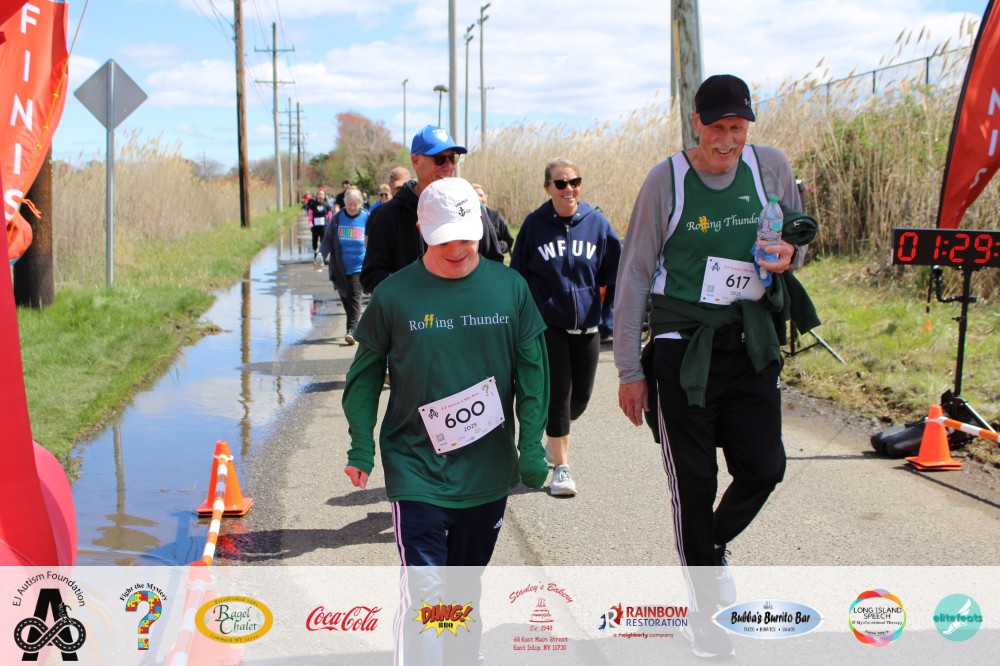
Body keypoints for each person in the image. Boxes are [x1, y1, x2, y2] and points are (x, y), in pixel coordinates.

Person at [613, 74, 813, 658]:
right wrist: (628, 371)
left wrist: (789, 255)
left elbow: (797, 243)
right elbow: (634, 274)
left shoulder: (770, 167)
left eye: (738, 127)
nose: (727, 140)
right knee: (695, 484)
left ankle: (708, 549)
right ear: (696, 123)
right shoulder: (666, 181)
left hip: (751, 343)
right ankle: (706, 611)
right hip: (683, 350)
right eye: (717, 127)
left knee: (765, 468)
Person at [343, 177, 550, 664]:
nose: (457, 250)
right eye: (443, 240)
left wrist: (531, 446)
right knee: (428, 595)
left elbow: (534, 374)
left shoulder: (510, 289)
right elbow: (364, 376)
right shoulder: (395, 295)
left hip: (487, 471)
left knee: (462, 589)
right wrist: (360, 446)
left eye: (466, 237)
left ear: (480, 226)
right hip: (416, 466)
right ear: (422, 231)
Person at [510, 158, 621, 497]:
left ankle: (554, 438)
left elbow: (616, 273)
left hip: (587, 328)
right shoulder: (534, 225)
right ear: (548, 188)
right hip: (550, 327)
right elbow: (518, 276)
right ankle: (562, 468)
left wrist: (608, 319)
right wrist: (526, 320)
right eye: (560, 183)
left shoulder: (596, 223)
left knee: (579, 400)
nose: (568, 189)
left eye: (574, 182)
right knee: (558, 397)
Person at [360, 126, 504, 294]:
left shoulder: (471, 206)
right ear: (416, 161)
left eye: (452, 158)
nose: (448, 166)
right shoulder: (388, 215)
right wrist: (415, 294)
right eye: (440, 159)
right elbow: (371, 276)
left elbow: (494, 262)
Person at [319, 187, 368, 344]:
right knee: (346, 298)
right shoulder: (337, 219)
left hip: (359, 265)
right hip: (339, 267)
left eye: (355, 204)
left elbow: (375, 239)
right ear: (344, 203)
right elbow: (327, 240)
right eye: (349, 204)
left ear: (360, 203)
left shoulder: (366, 217)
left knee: (355, 296)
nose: (352, 207)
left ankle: (351, 330)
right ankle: (354, 325)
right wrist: (320, 256)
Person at [472, 183, 514, 259]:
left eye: (481, 195)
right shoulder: (466, 220)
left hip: (494, 262)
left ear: (486, 197)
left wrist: (497, 247)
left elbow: (508, 241)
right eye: (475, 196)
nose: (479, 199)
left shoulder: (496, 216)